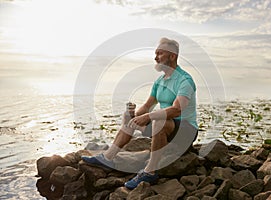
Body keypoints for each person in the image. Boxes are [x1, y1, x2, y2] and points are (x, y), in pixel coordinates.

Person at [82, 37, 198, 189]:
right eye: (155, 53)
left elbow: (176, 110)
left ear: (172, 56)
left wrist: (147, 117)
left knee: (159, 120)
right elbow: (147, 106)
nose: (155, 57)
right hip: (166, 128)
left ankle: (150, 172)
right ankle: (108, 157)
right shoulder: (160, 81)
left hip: (186, 131)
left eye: (160, 53)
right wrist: (134, 114)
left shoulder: (185, 80)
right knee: (129, 117)